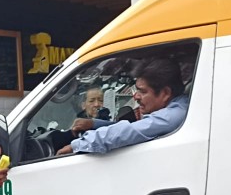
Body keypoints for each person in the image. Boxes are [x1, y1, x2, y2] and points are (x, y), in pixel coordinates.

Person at [57, 58, 189, 155]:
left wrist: (77, 145)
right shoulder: (178, 108)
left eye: (142, 91)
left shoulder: (175, 115)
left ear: (165, 93)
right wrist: (94, 124)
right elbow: (135, 127)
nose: (136, 97)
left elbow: (129, 132)